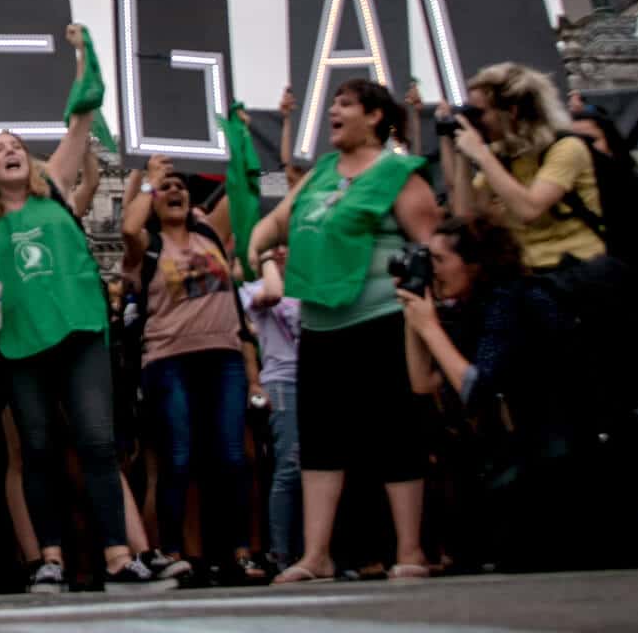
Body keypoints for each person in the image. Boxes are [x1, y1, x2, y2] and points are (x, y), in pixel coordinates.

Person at [0, 25, 168, 592]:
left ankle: (115, 555)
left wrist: (83, 53)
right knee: (37, 449)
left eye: (14, 145)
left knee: (98, 443)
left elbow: (81, 115)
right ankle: (49, 557)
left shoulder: (53, 184)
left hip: (79, 332)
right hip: (22, 344)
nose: (8, 150)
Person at [248, 78, 439, 584]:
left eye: (345, 104)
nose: (333, 110)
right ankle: (316, 556)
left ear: (375, 117)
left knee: (393, 433)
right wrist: (263, 252)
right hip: (320, 322)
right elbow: (271, 227)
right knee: (322, 441)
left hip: (380, 318)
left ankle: (411, 550)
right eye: (332, 102)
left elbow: (431, 249)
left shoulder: (399, 173)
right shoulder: (322, 173)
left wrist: (425, 324)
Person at [397, 218, 638, 570]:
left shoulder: (512, 301)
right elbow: (424, 383)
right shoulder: (474, 305)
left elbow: (477, 387)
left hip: (571, 462)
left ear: (476, 264)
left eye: (440, 260)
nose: (433, 270)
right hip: (539, 454)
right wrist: (413, 319)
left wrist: (430, 329)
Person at [121, 152, 263, 583]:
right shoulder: (146, 247)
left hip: (224, 358)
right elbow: (128, 226)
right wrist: (149, 179)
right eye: (167, 188)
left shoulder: (211, 235)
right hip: (168, 362)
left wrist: (237, 137)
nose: (175, 189)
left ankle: (239, 553)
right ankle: (174, 552)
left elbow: (243, 190)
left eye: (180, 185)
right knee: (178, 459)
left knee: (232, 458)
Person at [443, 62, 605, 271]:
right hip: (532, 271)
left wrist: (482, 155)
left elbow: (529, 210)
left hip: (581, 269)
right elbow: (465, 215)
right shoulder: (502, 154)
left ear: (512, 111)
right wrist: (464, 155)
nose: (476, 120)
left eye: (480, 113)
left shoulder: (566, 147)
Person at [239, 248, 302, 568]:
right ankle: (281, 552)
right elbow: (273, 294)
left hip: (315, 381)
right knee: (289, 464)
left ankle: (311, 549)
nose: (279, 252)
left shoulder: (309, 284)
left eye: (284, 245)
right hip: (281, 382)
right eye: (271, 247)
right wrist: (265, 260)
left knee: (318, 467)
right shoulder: (251, 290)